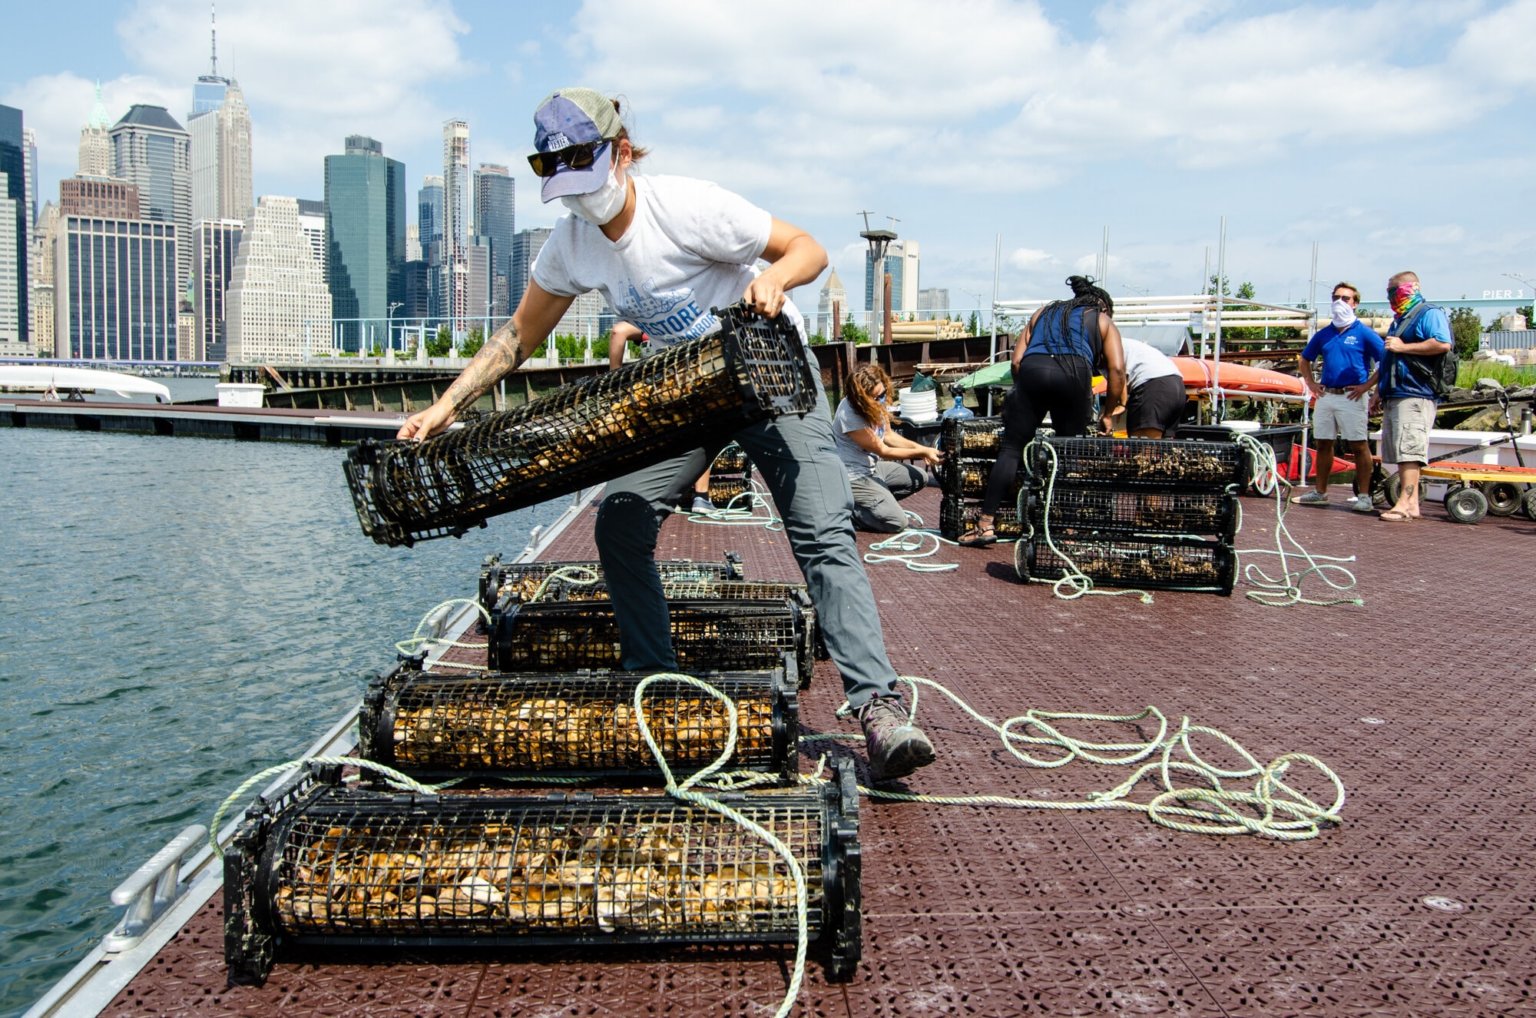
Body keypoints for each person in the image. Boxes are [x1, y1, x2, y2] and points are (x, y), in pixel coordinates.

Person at [397, 87, 934, 781]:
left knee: (821, 531)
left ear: (621, 153)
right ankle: (656, 682)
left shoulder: (686, 207)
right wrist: (446, 406)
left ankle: (879, 709)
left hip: (770, 373)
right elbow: (517, 337)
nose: (579, 197)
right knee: (620, 518)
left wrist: (773, 279)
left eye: (586, 171)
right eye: (562, 181)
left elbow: (809, 248)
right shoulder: (571, 245)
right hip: (689, 389)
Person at [960, 275, 1127, 546]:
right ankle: (1066, 533)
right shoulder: (1102, 320)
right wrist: (1108, 414)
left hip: (1033, 370)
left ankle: (985, 525)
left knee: (1012, 448)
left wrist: (1023, 396)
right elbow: (1118, 370)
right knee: (1069, 453)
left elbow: (1016, 362)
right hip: (1075, 374)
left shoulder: (1043, 312)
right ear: (1103, 307)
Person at [1292, 282, 1384, 512]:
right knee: (1323, 442)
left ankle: (1364, 496)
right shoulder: (1325, 334)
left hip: (1351, 396)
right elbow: (1305, 359)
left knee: (1359, 444)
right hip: (1326, 394)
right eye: (1336, 297)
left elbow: (1385, 361)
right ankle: (1320, 492)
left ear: (1355, 303)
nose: (1339, 302)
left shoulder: (1364, 333)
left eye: (1345, 298)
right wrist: (1311, 383)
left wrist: (1367, 386)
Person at [1374, 270, 1452, 522]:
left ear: (1413, 287)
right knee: (1401, 449)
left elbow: (1442, 343)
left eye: (1394, 290)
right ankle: (1412, 503)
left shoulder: (1428, 313)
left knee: (1409, 449)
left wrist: (1403, 346)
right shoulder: (1401, 319)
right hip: (1396, 392)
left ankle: (1405, 502)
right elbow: (1389, 360)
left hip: (1416, 393)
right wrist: (1378, 391)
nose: (1391, 296)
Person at [612, 321, 711, 513]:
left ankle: (668, 496)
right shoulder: (697, 319)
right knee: (703, 433)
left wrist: (615, 375)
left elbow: (618, 331)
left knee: (664, 439)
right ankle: (701, 497)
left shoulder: (653, 323)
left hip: (657, 388)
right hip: (693, 379)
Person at [832, 364, 942, 533]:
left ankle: (878, 504)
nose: (881, 400)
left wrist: (925, 449)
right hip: (852, 476)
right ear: (862, 398)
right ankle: (849, 512)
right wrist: (922, 452)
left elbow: (889, 436)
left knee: (919, 477)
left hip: (872, 469)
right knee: (897, 523)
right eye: (876, 397)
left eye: (882, 394)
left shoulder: (877, 404)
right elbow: (884, 451)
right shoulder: (849, 414)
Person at [1117, 336, 1187, 438]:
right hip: (1176, 385)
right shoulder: (1125, 343)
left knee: (1143, 450)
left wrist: (1119, 405)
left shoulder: (1108, 343)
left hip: (1154, 385)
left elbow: (1117, 372)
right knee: (1164, 450)